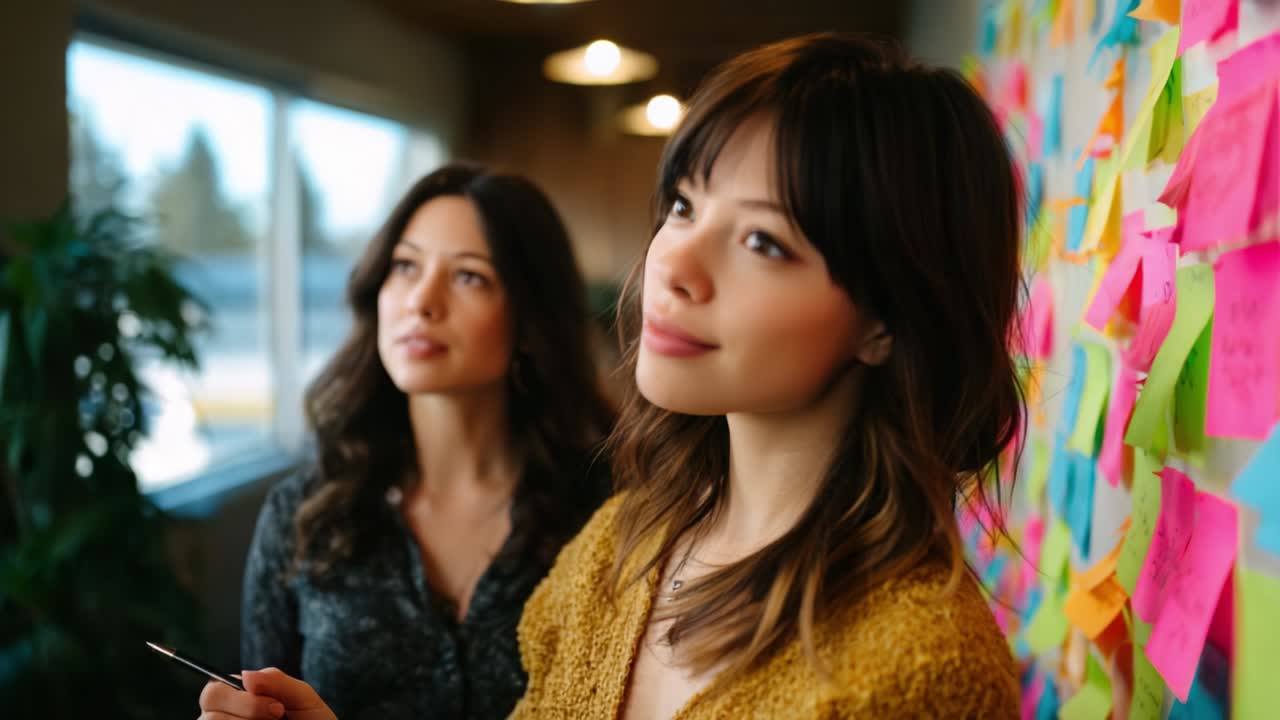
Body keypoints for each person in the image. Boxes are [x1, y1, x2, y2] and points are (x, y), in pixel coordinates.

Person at [198, 32, 1023, 719]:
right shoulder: (624, 545)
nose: (674, 265)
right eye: (684, 207)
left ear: (887, 320)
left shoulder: (924, 669)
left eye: (762, 241)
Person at [225, 163, 614, 720]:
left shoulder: (605, 516)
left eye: (469, 276)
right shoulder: (305, 516)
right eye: (406, 266)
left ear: (530, 319)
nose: (422, 301)